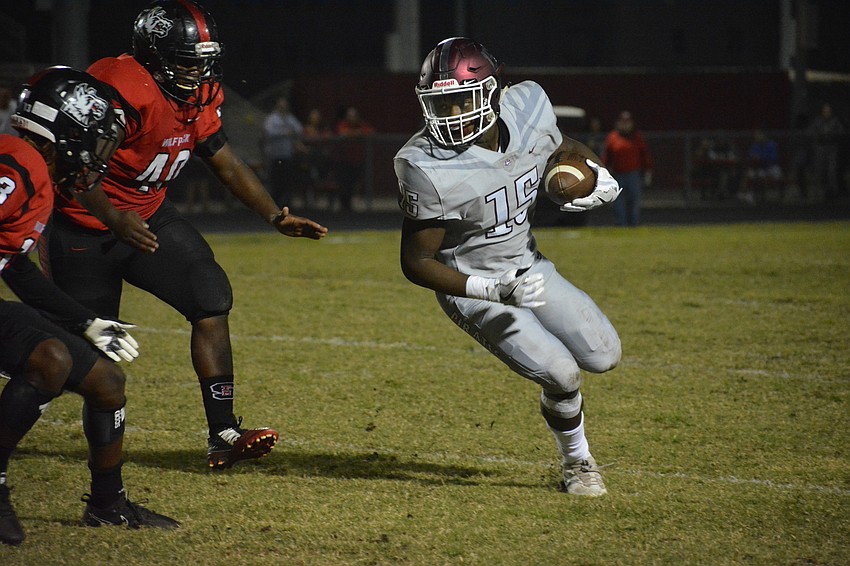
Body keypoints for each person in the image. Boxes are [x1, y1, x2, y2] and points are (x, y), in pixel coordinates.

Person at [41, 0, 328, 471]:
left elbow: (224, 161)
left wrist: (275, 216)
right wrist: (114, 218)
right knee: (77, 360)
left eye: (202, 60)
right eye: (185, 60)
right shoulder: (124, 88)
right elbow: (76, 170)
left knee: (210, 294)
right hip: (85, 228)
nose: (197, 71)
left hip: (148, 217)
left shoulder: (195, 94)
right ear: (153, 56)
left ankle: (223, 434)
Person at [395, 38, 622, 496]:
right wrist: (492, 290)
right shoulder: (423, 164)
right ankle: (578, 462)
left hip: (529, 265)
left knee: (604, 355)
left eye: (461, 99)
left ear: (495, 91)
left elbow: (560, 145)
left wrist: (593, 172)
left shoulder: (529, 105)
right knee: (562, 372)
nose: (450, 115)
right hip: (472, 287)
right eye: (439, 104)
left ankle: (557, 402)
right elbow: (416, 262)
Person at [1, 67, 179, 546]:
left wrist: (86, 321)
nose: (103, 155)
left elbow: (15, 269)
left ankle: (107, 505)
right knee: (49, 359)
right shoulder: (16, 164)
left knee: (105, 381)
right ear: (68, 130)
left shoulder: (37, 170)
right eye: (99, 142)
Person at [602, 111, 652, 226]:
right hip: (617, 174)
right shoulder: (613, 137)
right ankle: (621, 225)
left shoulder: (637, 137)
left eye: (627, 122)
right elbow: (607, 156)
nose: (625, 125)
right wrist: (604, 172)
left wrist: (648, 171)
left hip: (633, 174)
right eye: (623, 122)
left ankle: (633, 224)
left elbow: (644, 155)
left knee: (633, 201)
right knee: (618, 203)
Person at [261, 96, 304, 207]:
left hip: (287, 155)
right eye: (281, 105)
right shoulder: (272, 119)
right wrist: (285, 132)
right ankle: (274, 204)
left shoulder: (289, 118)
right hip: (274, 155)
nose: (283, 107)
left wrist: (291, 132)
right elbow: (269, 132)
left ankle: (286, 204)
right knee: (275, 181)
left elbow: (299, 129)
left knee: (286, 181)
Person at [333, 106, 375, 211]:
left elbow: (370, 132)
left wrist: (357, 133)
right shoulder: (343, 124)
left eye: (354, 115)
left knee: (355, 185)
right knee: (344, 185)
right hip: (343, 161)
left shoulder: (361, 125)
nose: (352, 118)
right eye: (350, 115)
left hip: (358, 161)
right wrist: (357, 134)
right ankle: (344, 207)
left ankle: (351, 208)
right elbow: (342, 132)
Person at [807, 102, 846, 200]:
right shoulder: (817, 121)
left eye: (828, 112)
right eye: (825, 112)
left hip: (832, 148)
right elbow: (810, 132)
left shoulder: (835, 121)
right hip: (820, 148)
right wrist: (820, 134)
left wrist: (832, 133)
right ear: (822, 112)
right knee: (819, 170)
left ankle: (833, 193)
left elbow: (841, 132)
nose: (826, 113)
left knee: (831, 171)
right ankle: (817, 193)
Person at [739, 127, 782, 204]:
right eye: (755, 135)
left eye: (758, 134)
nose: (756, 136)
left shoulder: (771, 144)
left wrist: (761, 158)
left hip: (771, 168)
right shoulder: (756, 145)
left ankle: (760, 195)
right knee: (750, 174)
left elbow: (773, 158)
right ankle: (749, 194)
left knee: (765, 175)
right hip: (760, 168)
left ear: (763, 135)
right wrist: (755, 158)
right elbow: (750, 156)